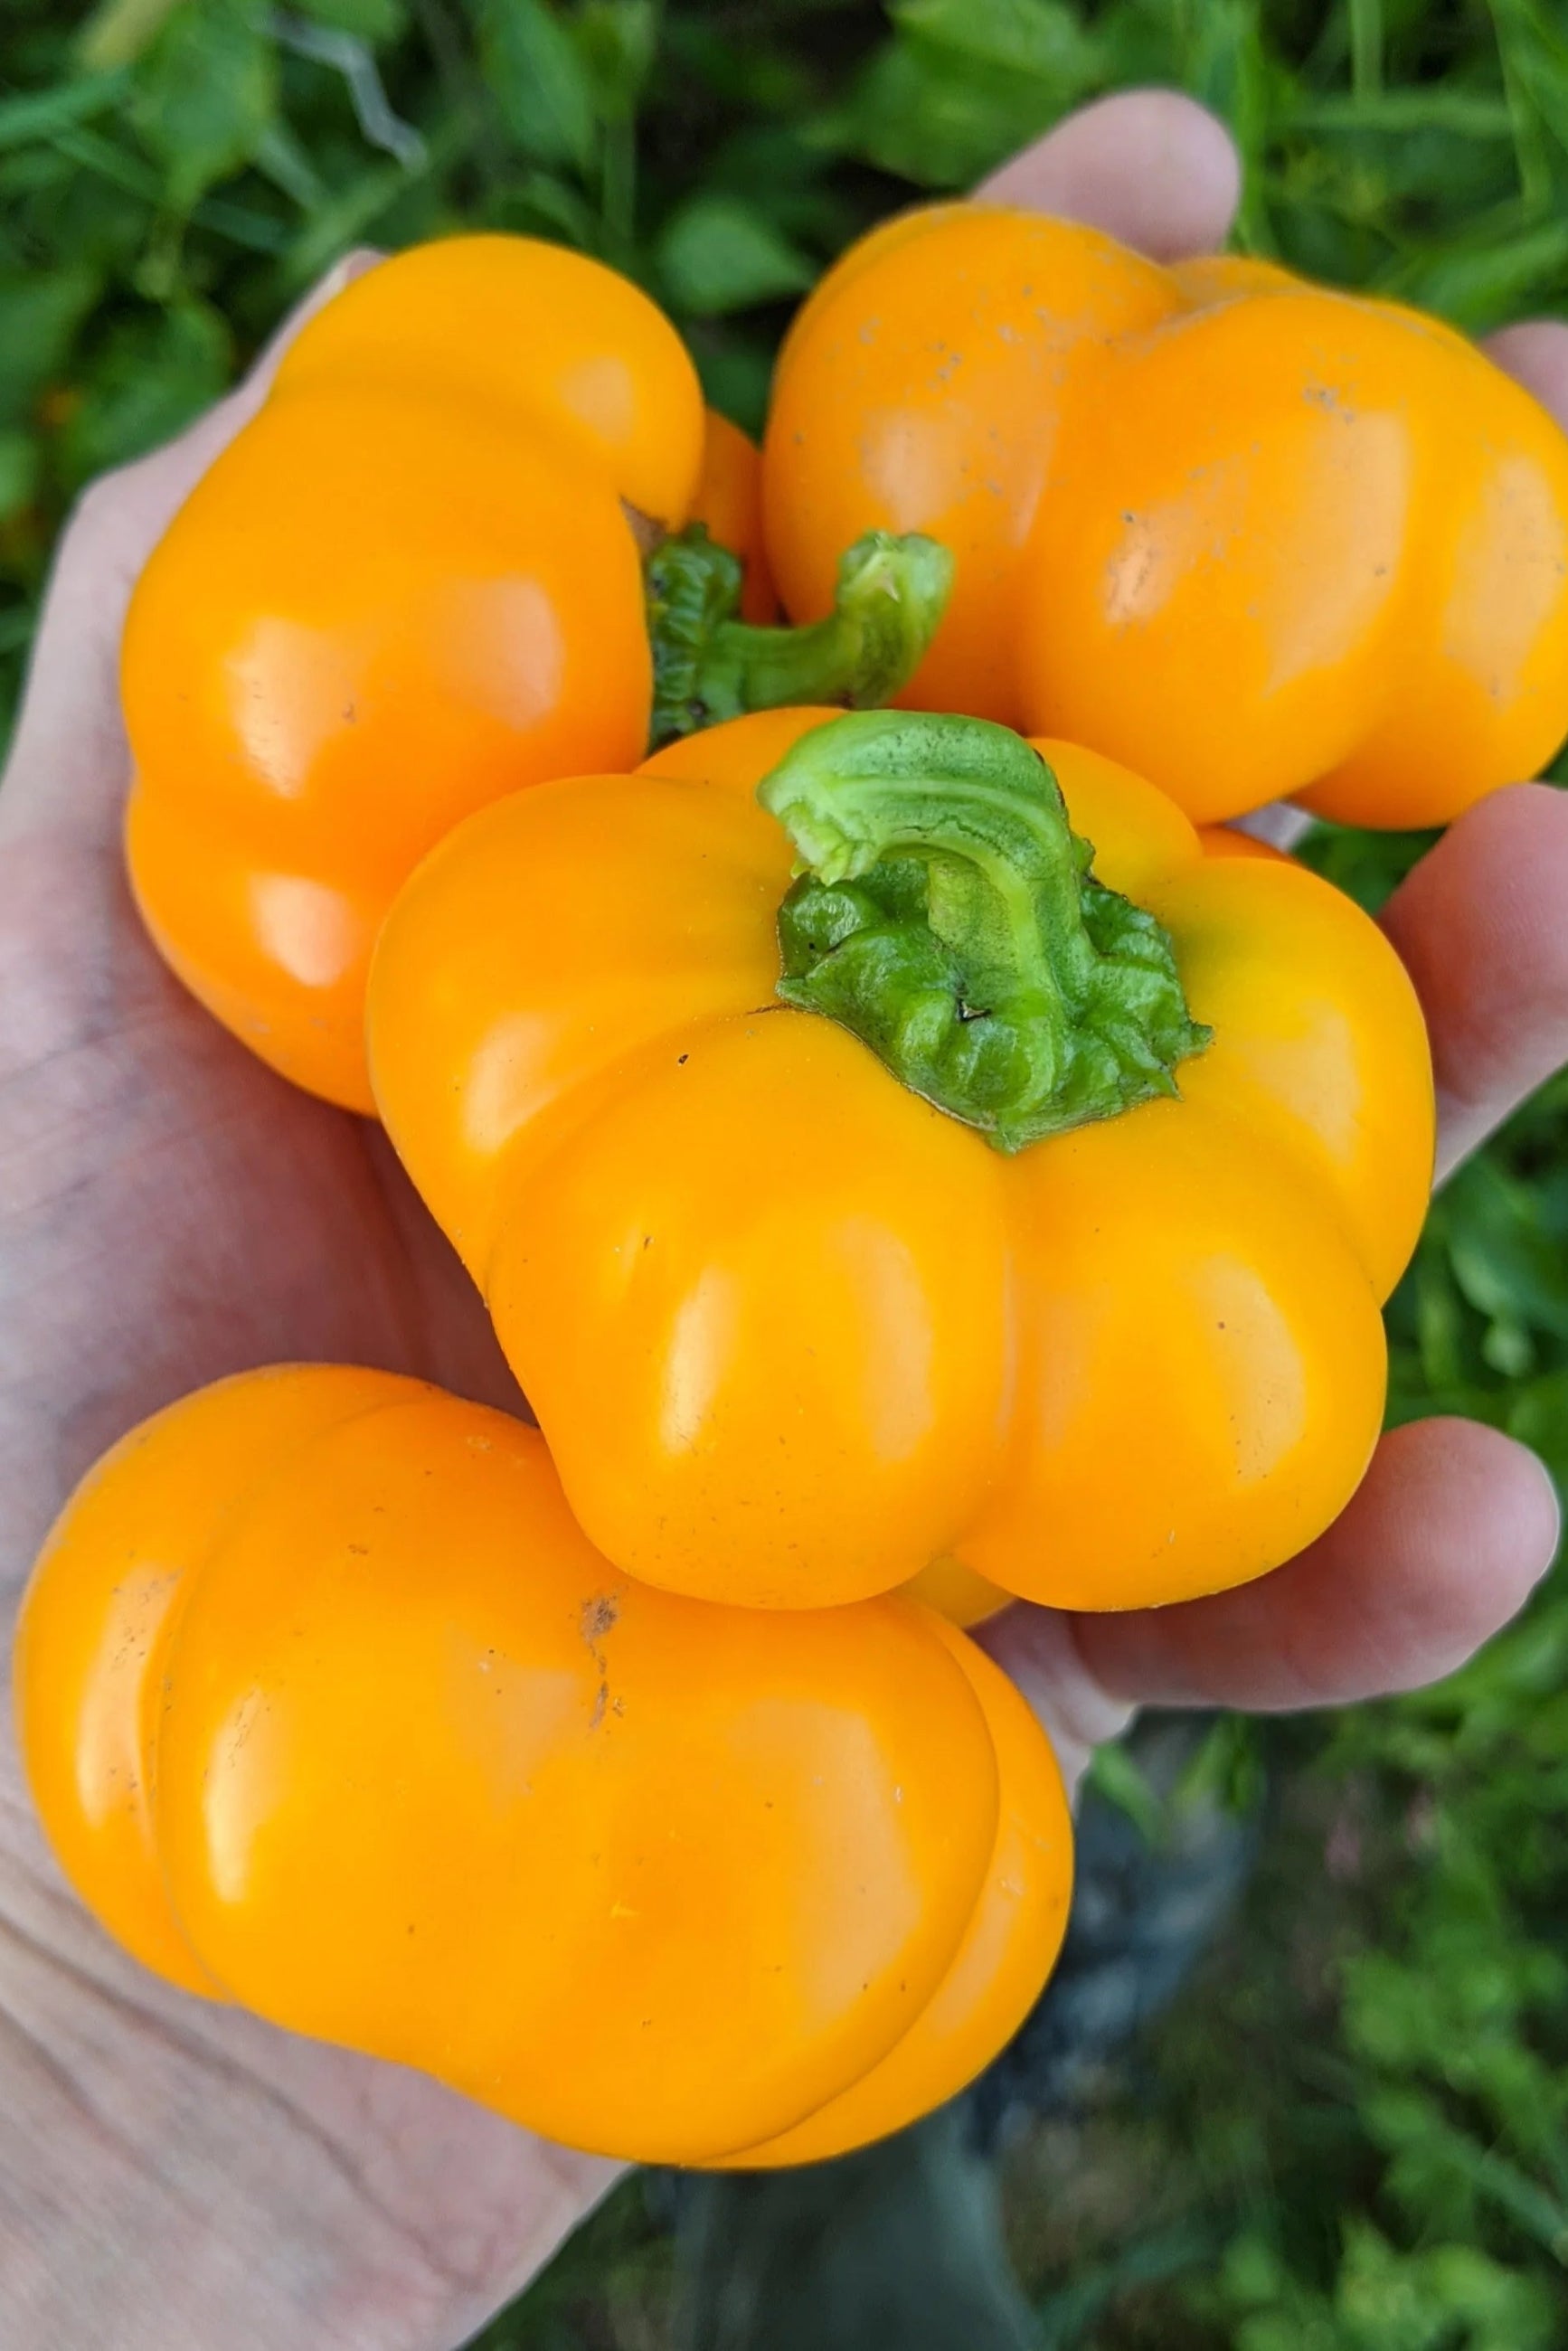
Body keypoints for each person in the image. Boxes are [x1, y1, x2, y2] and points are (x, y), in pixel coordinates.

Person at [1, 87, 1564, 2350]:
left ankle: (836, 2239)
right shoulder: (584, 883)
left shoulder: (562, 902)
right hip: (706, 1873)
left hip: (427, 1726)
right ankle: (850, 2233)